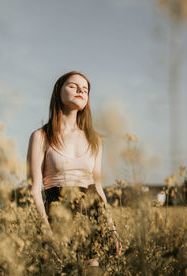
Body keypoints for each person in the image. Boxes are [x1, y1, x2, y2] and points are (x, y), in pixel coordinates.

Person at [26, 71, 122, 269]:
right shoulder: (40, 136)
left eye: (85, 89)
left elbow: (98, 187)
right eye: (73, 86)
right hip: (58, 215)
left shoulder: (95, 140)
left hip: (93, 215)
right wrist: (47, 232)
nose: (81, 90)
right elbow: (34, 189)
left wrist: (112, 230)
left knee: (92, 271)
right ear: (58, 92)